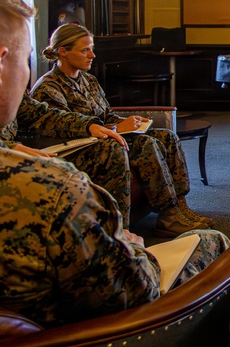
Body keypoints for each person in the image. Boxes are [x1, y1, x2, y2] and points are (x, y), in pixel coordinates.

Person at [0, 0, 227, 327]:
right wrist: (130, 244)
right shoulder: (56, 192)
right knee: (211, 241)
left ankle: (174, 209)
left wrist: (92, 126)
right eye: (27, 60)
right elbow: (131, 291)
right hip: (80, 345)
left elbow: (38, 113)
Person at [30, 23, 212, 236]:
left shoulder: (88, 80)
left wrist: (129, 122)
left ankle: (179, 206)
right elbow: (64, 127)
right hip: (80, 149)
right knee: (146, 144)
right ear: (63, 51)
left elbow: (105, 114)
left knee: (166, 137)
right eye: (85, 50)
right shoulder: (48, 87)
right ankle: (168, 216)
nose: (92, 55)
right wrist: (116, 127)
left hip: (106, 136)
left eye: (91, 48)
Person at [0, 93, 139, 226]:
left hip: (22, 154)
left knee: (110, 147)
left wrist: (88, 126)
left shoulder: (10, 89)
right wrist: (9, 148)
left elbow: (41, 114)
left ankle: (119, 232)